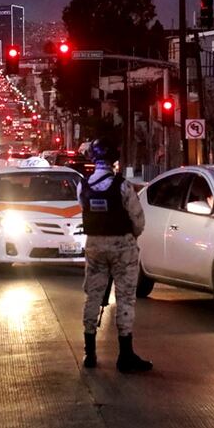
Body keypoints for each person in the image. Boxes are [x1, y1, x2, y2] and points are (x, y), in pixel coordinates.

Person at [78, 138, 153, 373]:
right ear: (114, 160)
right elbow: (138, 220)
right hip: (122, 247)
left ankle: (89, 352)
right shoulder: (122, 186)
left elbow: (84, 209)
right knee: (125, 298)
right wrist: (129, 237)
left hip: (94, 246)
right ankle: (125, 354)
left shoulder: (84, 185)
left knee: (92, 296)